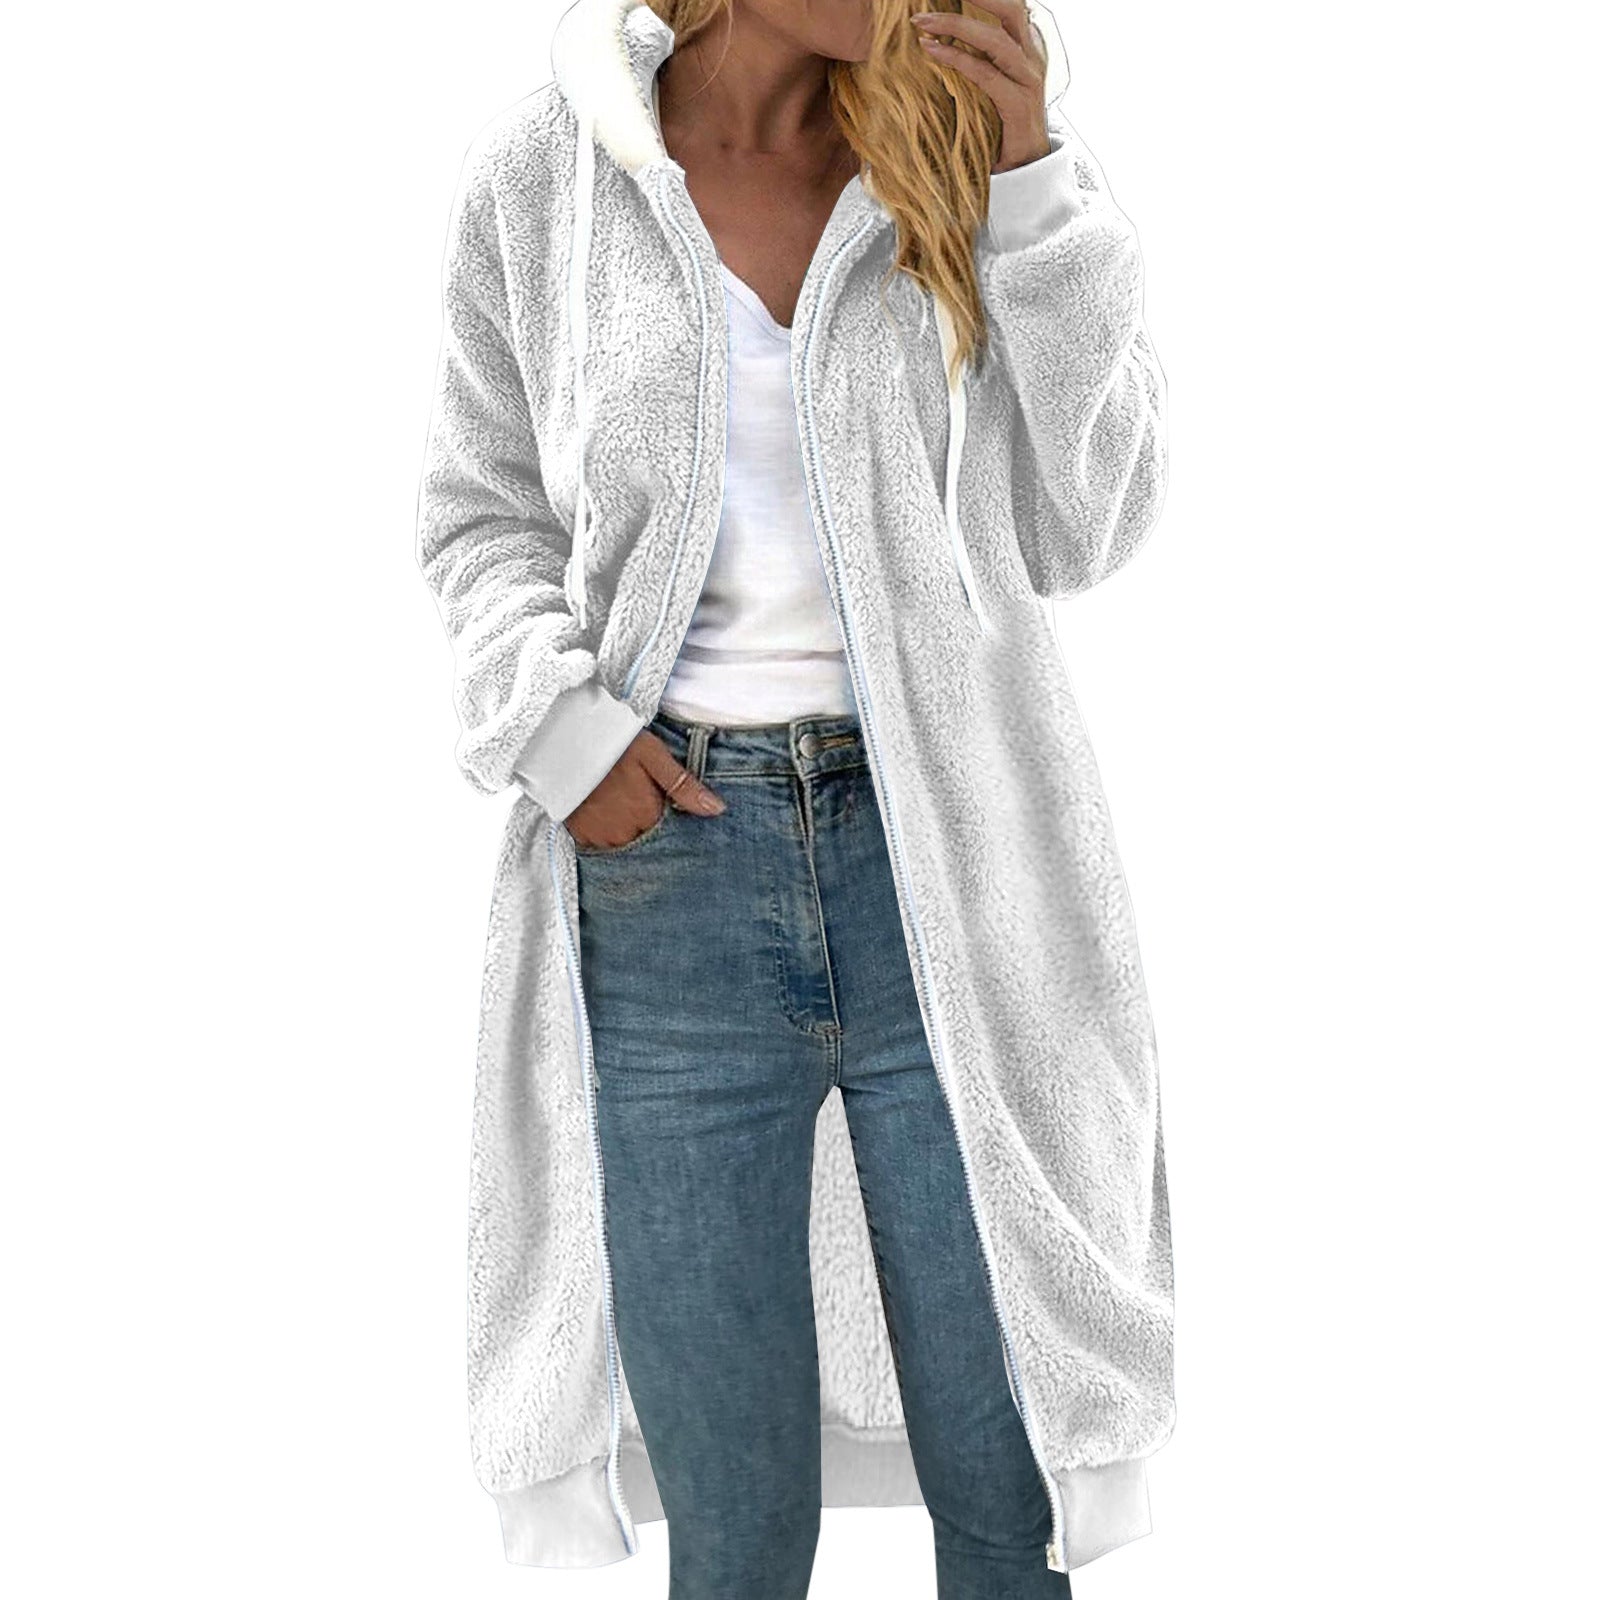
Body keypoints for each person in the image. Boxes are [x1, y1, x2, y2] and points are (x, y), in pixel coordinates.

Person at [415, 1, 1175, 1595]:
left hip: (945, 867)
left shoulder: (963, 160)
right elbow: (482, 513)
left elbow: (1086, 523)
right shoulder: (547, 179)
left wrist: (1033, 186)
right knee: (737, 1534)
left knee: (1010, 1500)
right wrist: (564, 734)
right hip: (667, 887)